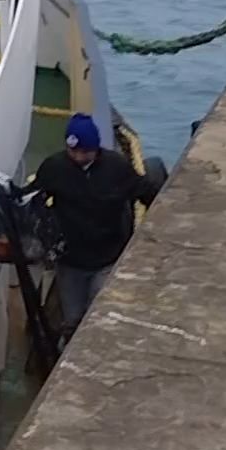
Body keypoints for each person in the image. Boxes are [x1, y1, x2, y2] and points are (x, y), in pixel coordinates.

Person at [33, 113, 158, 343]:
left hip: (107, 257)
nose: (79, 157)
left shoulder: (117, 167)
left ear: (96, 148)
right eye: (73, 151)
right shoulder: (54, 168)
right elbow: (33, 199)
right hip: (70, 261)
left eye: (84, 151)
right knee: (72, 320)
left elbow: (144, 190)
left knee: (96, 317)